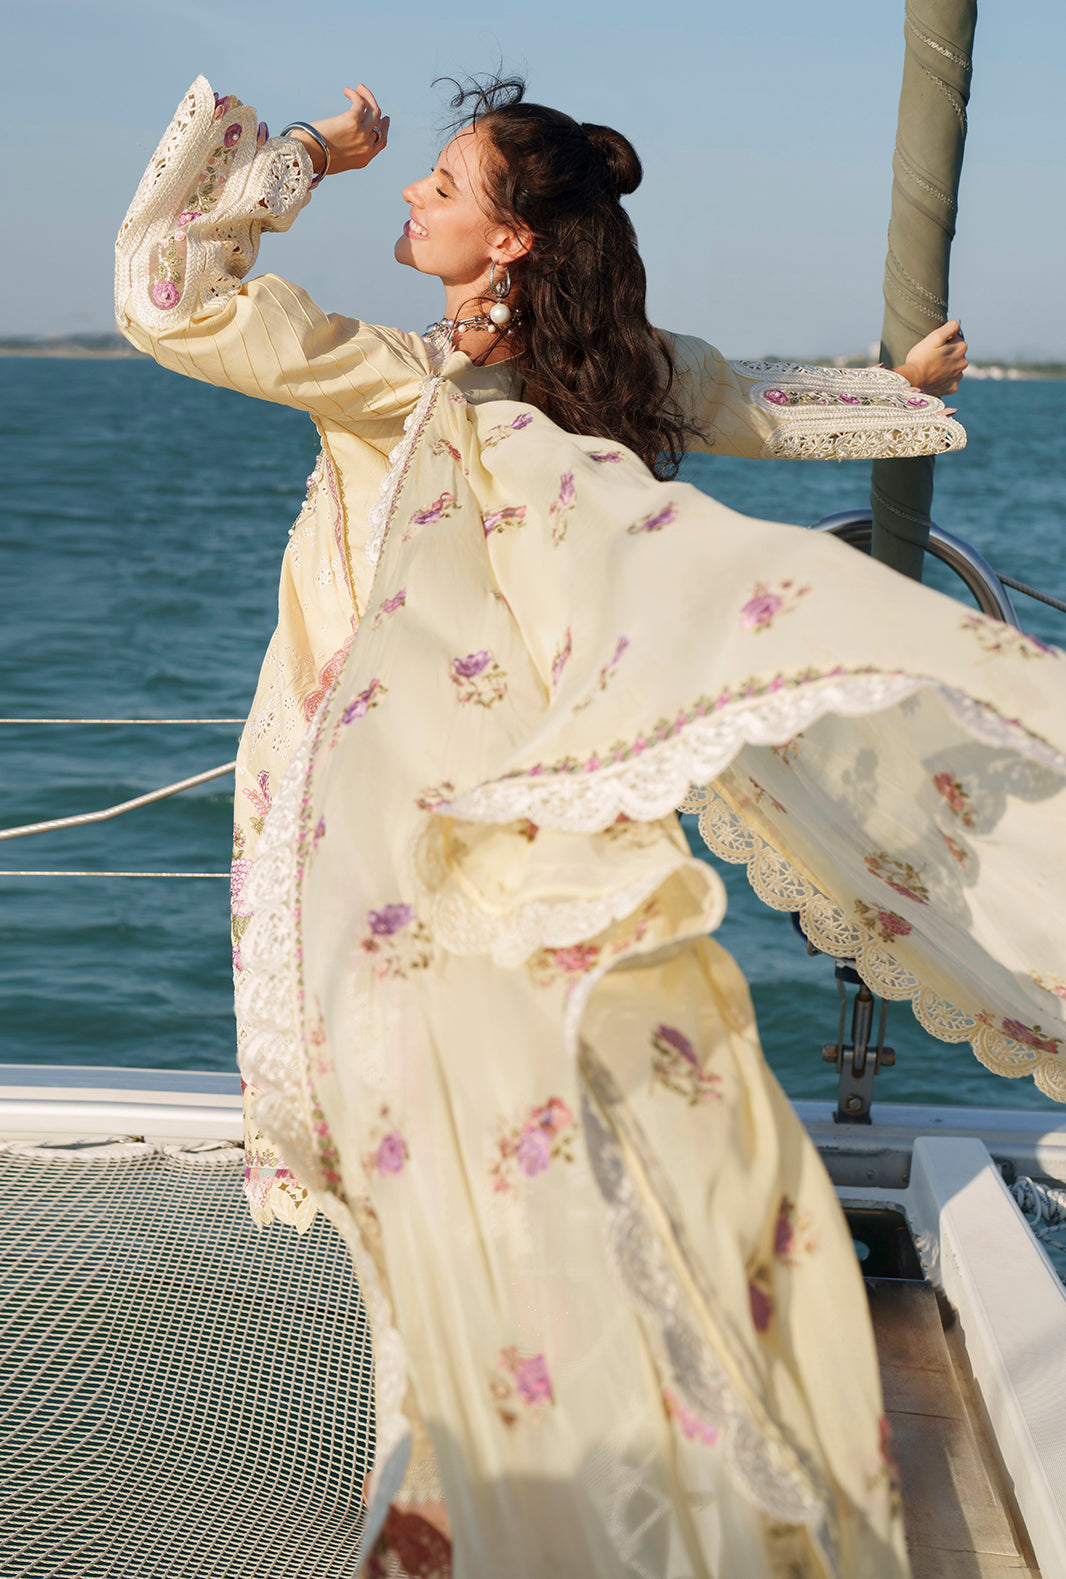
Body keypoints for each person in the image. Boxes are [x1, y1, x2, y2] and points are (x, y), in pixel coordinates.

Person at [115, 74, 1065, 1579]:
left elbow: (168, 296)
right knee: (511, 1133)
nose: (409, 192)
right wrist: (898, 389)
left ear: (510, 242)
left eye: (440, 182)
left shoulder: (399, 377)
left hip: (387, 829)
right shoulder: (604, 377)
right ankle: (512, 1477)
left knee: (434, 1142)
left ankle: (463, 1496)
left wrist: (301, 156)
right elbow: (753, 403)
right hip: (528, 823)